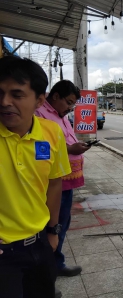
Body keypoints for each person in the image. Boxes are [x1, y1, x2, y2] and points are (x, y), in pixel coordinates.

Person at [0, 56, 71, 297]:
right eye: (0, 93)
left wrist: (53, 231)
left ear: (40, 100)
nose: (5, 102)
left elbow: (54, 183)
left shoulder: (52, 133)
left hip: (39, 244)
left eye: (16, 95)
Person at [35, 80, 90, 277]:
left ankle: (55, 264)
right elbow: (40, 147)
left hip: (66, 180)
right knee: (50, 226)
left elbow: (63, 139)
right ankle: (47, 271)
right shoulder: (39, 113)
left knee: (60, 224)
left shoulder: (60, 114)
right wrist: (69, 149)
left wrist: (76, 146)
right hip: (52, 181)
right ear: (55, 96)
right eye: (68, 102)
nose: (69, 108)